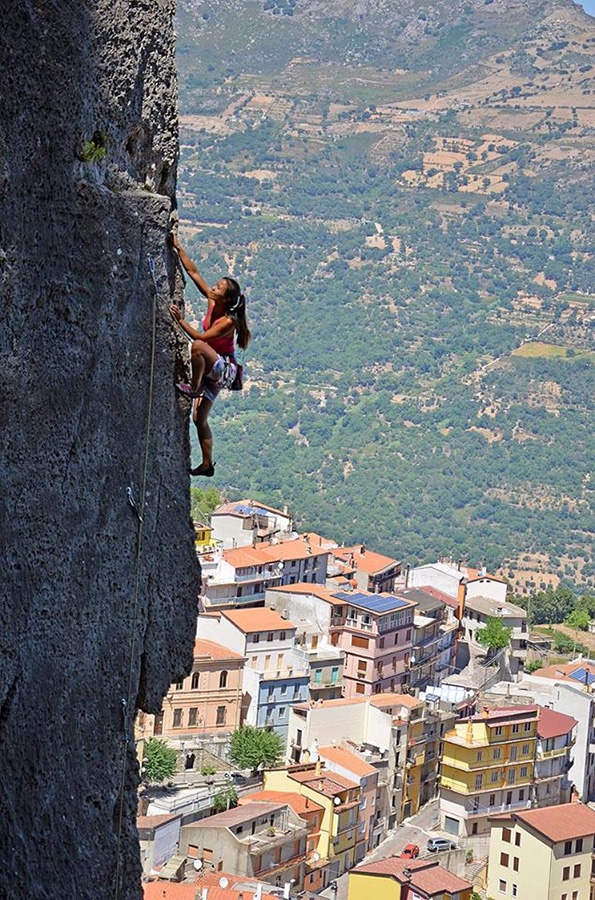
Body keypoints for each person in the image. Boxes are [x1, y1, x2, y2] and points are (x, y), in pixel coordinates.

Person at [169, 233, 251, 477]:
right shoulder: (213, 302)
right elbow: (195, 274)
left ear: (225, 299)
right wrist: (178, 248)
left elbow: (202, 340)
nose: (212, 288)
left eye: (217, 288)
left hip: (223, 369)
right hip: (212, 367)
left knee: (196, 347)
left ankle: (194, 387)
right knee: (198, 418)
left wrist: (180, 320)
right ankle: (207, 465)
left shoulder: (228, 321)